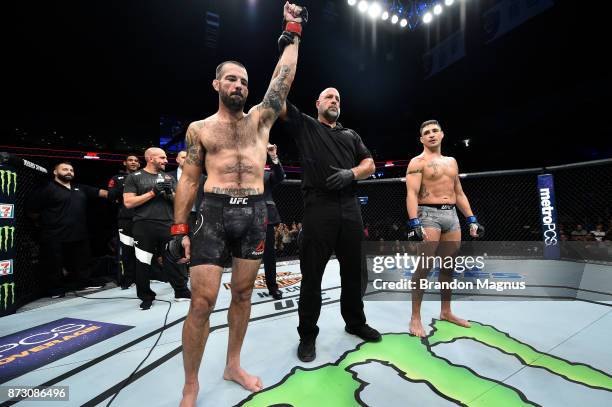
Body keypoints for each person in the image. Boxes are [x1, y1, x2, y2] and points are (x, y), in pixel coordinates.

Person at [165, 3, 305, 405]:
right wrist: (178, 229)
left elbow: (283, 79)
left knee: (242, 295)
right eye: (231, 79)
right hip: (213, 212)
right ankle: (191, 383)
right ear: (217, 85)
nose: (239, 85)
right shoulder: (200, 129)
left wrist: (292, 31)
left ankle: (232, 364)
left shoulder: (261, 119)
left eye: (244, 81)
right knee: (202, 301)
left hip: (255, 211)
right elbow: (190, 179)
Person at [277, 87, 381, 363]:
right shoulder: (307, 126)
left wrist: (352, 173)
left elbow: (370, 164)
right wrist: (287, 54)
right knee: (312, 275)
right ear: (317, 103)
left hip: (349, 205)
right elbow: (277, 99)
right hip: (318, 206)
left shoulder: (351, 135)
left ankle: (355, 322)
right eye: (329, 97)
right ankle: (308, 334)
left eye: (338, 98)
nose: (335, 100)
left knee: (354, 271)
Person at [405, 119, 484, 337]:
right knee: (425, 267)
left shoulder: (452, 162)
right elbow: (411, 193)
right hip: (428, 215)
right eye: (426, 132)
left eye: (434, 131)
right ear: (421, 139)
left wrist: (471, 218)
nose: (431, 134)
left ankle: (446, 311)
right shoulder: (417, 162)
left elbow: (458, 192)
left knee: (448, 266)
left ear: (441, 135)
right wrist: (414, 221)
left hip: (452, 216)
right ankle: (415, 317)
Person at [123, 147, 191, 310]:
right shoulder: (135, 177)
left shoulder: (168, 177)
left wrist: (170, 194)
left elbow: (180, 204)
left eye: (166, 158)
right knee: (143, 262)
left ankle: (181, 292)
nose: (166, 161)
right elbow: (128, 202)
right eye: (162, 158)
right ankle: (146, 296)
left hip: (167, 223)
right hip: (143, 224)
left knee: (174, 258)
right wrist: (153, 192)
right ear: (150, 158)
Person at [28, 161, 107, 297]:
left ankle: (84, 283)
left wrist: (124, 194)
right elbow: (33, 211)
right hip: (54, 234)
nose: (69, 172)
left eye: (71, 170)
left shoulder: (79, 188)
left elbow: (101, 193)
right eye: (65, 169)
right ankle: (55, 290)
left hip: (78, 233)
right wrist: (43, 224)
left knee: (82, 262)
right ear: (55, 172)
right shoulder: (47, 188)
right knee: (53, 264)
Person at [107, 154, 140, 289]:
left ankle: (146, 277)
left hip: (143, 218)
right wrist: (128, 185)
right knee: (126, 250)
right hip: (125, 218)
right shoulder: (117, 178)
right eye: (130, 160)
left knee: (144, 249)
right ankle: (128, 279)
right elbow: (111, 195)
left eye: (136, 161)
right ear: (124, 163)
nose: (133, 162)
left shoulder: (145, 176)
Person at [263, 143, 286, 299]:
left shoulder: (266, 175)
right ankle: (242, 289)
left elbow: (280, 176)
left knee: (269, 255)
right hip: (242, 217)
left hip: (265, 218)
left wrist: (273, 156)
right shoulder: (241, 173)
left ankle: (272, 287)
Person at [167, 150, 206, 230]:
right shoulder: (168, 176)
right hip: (173, 214)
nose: (186, 160)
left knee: (195, 241)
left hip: (195, 215)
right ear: (177, 159)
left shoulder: (202, 177)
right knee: (176, 240)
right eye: (183, 157)